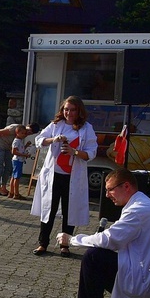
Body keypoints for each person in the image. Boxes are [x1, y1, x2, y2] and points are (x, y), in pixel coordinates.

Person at [57, 168, 150, 298]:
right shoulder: (141, 203)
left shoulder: (137, 210)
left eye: (110, 190)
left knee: (93, 257)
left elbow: (109, 240)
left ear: (126, 186)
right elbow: (116, 238)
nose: (107, 195)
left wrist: (72, 240)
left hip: (149, 281)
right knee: (98, 254)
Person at [31, 96, 97, 257]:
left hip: (72, 177)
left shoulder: (86, 128)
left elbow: (91, 153)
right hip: (53, 175)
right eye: (66, 109)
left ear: (79, 111)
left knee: (70, 211)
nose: (69, 113)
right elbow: (38, 140)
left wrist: (74, 152)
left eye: (73, 109)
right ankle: (43, 243)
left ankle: (65, 244)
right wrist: (54, 139)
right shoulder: (56, 125)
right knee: (49, 209)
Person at [8, 125, 31, 200]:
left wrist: (26, 146)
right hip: (17, 160)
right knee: (17, 178)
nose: (24, 135)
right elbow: (14, 151)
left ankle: (11, 192)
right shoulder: (16, 141)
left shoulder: (20, 141)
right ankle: (16, 193)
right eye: (22, 133)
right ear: (17, 133)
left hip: (18, 160)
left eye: (25, 133)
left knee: (13, 176)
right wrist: (24, 155)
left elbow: (20, 149)